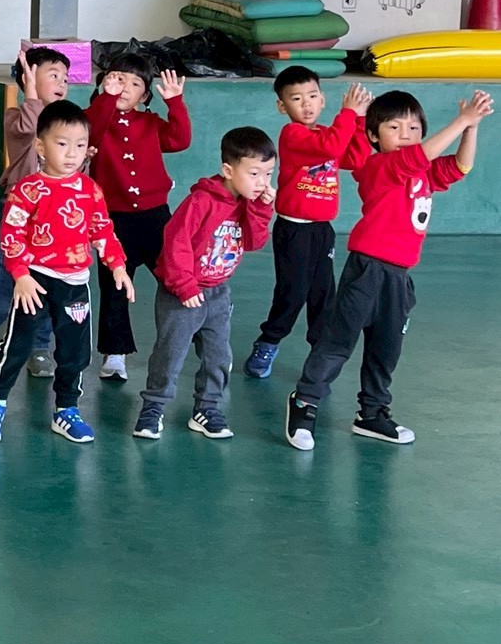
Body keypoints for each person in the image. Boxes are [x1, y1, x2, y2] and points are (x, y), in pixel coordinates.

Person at [286, 90, 493, 451]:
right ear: (373, 135)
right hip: (367, 269)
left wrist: (470, 128)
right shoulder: (377, 167)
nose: (406, 134)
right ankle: (305, 401)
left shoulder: (423, 171)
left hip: (399, 276)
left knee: (386, 349)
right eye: (394, 128)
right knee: (339, 341)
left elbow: (461, 167)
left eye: (413, 128)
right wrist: (460, 120)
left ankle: (372, 413)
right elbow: (419, 155)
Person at [0, 100, 132, 446]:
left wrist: (117, 264)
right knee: (18, 345)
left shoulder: (90, 190)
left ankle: (67, 409)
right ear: (41, 146)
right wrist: (21, 274)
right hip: (35, 280)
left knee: (75, 351)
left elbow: (101, 229)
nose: (72, 153)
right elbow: (11, 234)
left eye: (80, 145)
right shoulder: (28, 189)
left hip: (75, 284)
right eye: (62, 143)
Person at [133, 127, 275, 441]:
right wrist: (184, 285)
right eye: (254, 173)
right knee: (170, 353)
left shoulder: (249, 202)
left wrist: (261, 208)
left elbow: (254, 242)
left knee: (218, 355)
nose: (262, 182)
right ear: (228, 170)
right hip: (182, 292)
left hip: (218, 292)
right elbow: (176, 242)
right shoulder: (201, 201)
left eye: (268, 174)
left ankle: (207, 408)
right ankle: (153, 407)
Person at [243, 71, 372, 379]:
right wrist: (348, 114)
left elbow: (354, 158)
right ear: (282, 106)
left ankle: (320, 352)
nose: (307, 104)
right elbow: (330, 148)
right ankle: (269, 341)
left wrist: (359, 120)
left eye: (313, 96)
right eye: (297, 99)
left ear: (323, 100)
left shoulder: (329, 133)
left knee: (323, 294)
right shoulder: (292, 134)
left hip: (322, 230)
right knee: (293, 293)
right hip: (294, 230)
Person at [0, 46, 70, 378]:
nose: (62, 82)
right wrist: (30, 91)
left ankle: (38, 347)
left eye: (65, 77)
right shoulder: (17, 118)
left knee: (48, 280)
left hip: (54, 215)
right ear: (28, 80)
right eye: (53, 75)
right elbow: (30, 128)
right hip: (19, 213)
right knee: (6, 282)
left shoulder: (67, 125)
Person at [86, 54, 191, 382]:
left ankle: (199, 333)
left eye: (134, 84)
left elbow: (180, 139)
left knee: (177, 277)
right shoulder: (96, 118)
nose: (124, 87)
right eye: (118, 79)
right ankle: (114, 353)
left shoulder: (150, 123)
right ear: (105, 82)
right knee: (114, 287)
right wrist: (106, 98)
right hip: (113, 220)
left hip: (155, 217)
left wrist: (175, 103)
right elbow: (89, 134)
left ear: (145, 96)